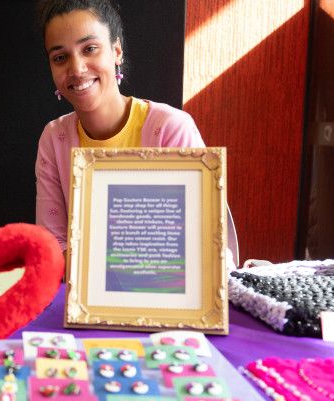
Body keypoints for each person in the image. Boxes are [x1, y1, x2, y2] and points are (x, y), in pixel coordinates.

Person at [33, 0, 207, 251]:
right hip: (81, 289)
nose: (77, 68)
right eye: (60, 57)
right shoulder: (53, 138)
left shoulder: (171, 129)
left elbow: (199, 242)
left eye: (90, 49)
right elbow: (51, 246)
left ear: (116, 51)